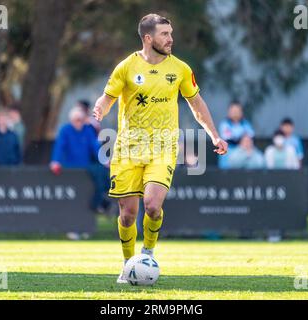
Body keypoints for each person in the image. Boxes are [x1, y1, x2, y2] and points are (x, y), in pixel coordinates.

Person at [92, 13, 228, 284]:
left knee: (152, 206)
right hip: (128, 149)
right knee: (128, 215)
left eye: (171, 33)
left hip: (163, 147)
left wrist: (214, 135)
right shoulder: (126, 67)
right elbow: (107, 99)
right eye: (165, 34)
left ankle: (148, 252)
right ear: (148, 38)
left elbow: (197, 104)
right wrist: (99, 109)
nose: (170, 39)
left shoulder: (180, 69)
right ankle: (128, 263)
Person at [50, 107, 110, 239]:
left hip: (85, 171)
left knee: (87, 199)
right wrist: (55, 161)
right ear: (71, 120)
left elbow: (95, 147)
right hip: (70, 171)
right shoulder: (65, 130)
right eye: (77, 120)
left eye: (82, 120)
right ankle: (72, 229)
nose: (80, 122)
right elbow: (60, 146)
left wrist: (104, 160)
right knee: (72, 203)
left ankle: (86, 228)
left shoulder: (87, 130)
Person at [218, 102, 254, 169]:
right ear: (229, 112)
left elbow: (250, 137)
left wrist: (243, 142)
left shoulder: (246, 124)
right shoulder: (224, 124)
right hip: (229, 150)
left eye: (237, 111)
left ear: (241, 112)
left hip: (243, 150)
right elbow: (229, 140)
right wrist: (242, 139)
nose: (235, 113)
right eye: (233, 111)